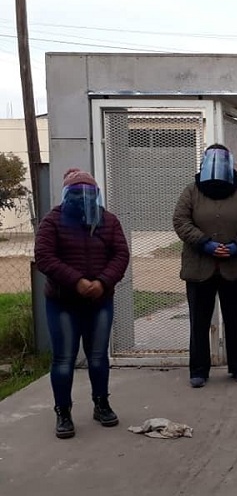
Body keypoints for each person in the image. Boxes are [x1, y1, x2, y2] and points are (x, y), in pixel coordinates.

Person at [34, 168, 130, 439]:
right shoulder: (52, 221)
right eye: (77, 193)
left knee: (98, 356)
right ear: (66, 194)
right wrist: (76, 281)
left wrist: (102, 282)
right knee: (64, 359)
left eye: (89, 192)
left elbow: (121, 255)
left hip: (99, 300)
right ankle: (63, 412)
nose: (83, 198)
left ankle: (101, 404)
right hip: (63, 303)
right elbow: (44, 257)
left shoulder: (108, 221)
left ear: (97, 194)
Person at [173, 144, 237, 388]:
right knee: (199, 322)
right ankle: (199, 369)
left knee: (234, 319)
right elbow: (180, 221)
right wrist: (204, 243)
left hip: (234, 267)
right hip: (199, 267)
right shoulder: (192, 191)